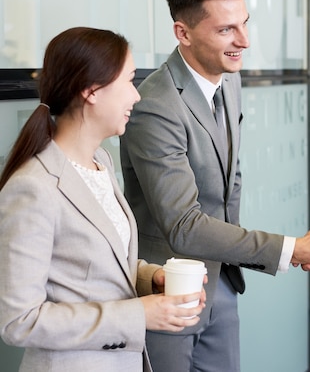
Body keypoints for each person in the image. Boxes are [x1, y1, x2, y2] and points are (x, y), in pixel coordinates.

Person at [119, 0, 310, 372]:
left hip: (223, 283)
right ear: (183, 33)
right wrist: (293, 249)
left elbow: (231, 181)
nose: (243, 40)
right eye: (226, 29)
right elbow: (183, 225)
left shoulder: (229, 79)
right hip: (169, 292)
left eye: (244, 23)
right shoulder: (155, 105)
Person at [0, 27, 206, 372]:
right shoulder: (34, 188)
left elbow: (92, 262)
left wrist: (150, 278)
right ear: (91, 91)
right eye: (128, 81)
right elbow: (18, 321)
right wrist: (137, 314)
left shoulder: (101, 163)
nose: (136, 96)